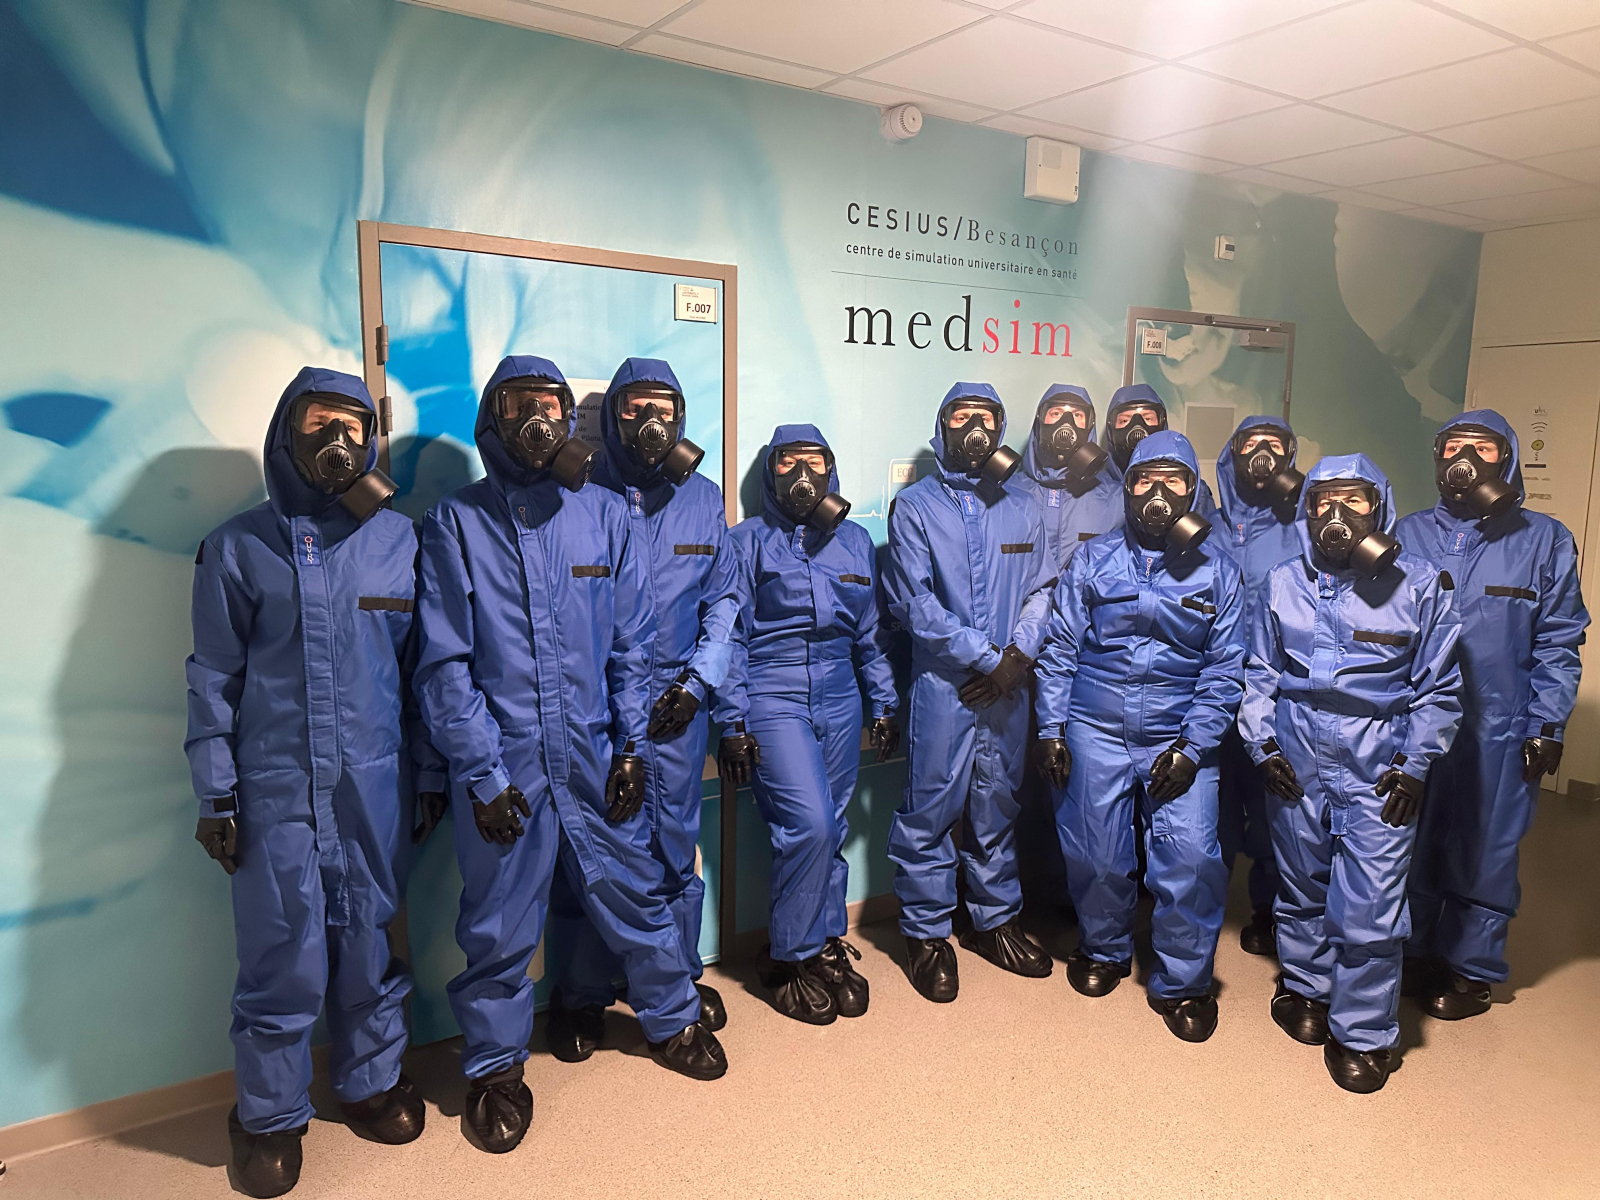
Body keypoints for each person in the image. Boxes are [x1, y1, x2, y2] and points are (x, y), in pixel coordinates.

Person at [415, 355, 725, 1158]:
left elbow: (630, 644)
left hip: (593, 750)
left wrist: (630, 749)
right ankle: (494, 1070)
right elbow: (443, 665)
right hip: (506, 763)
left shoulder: (604, 516)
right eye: (520, 403)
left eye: (551, 405)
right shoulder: (457, 522)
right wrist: (481, 774)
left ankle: (672, 1018)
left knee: (636, 889)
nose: (538, 419)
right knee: (498, 924)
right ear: (493, 417)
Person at [185, 367, 443, 1198]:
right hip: (276, 789)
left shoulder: (399, 541)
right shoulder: (237, 547)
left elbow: (425, 672)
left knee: (371, 938)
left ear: (371, 439)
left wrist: (431, 772)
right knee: (282, 953)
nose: (336, 439)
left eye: (352, 425)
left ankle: (370, 1082)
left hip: (374, 784)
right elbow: (212, 679)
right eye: (318, 421)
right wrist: (216, 792)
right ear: (285, 433)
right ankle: (268, 1117)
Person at [1240, 455, 1462, 1094]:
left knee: (1371, 902)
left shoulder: (1419, 586)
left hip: (1379, 760)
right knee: (1303, 882)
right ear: (1307, 511)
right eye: (1322, 502)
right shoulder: (1283, 582)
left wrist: (1415, 764)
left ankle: (1363, 1032)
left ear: (1379, 507)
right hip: (1297, 752)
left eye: (1354, 502)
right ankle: (1306, 988)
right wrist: (1262, 746)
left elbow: (1440, 688)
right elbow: (1259, 672)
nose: (1336, 515)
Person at [543, 358, 741, 1062]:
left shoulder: (703, 498)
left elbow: (725, 602)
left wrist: (699, 684)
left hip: (680, 708)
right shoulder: (577, 495)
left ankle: (676, 976)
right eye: (635, 408)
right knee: (593, 858)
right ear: (612, 416)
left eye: (664, 407)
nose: (651, 422)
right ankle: (580, 995)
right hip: (599, 711)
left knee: (675, 849)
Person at [1035, 431, 1242, 1042]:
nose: (1158, 494)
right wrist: (1051, 728)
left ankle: (1184, 982)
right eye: (1145, 481)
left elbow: (1226, 669)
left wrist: (1194, 748)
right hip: (1094, 726)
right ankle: (1103, 949)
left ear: (1193, 491)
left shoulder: (1218, 572)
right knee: (1095, 852)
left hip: (1179, 731)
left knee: (1192, 860)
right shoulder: (1093, 560)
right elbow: (1061, 648)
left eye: (1173, 481)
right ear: (1126, 490)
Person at [1399, 410, 1588, 1019]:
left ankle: (1469, 969)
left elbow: (1559, 640)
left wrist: (1547, 725)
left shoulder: (1543, 540)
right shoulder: (1407, 532)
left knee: (1486, 845)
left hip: (1500, 728)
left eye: (1481, 448)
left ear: (1506, 459)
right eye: (1454, 446)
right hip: (1418, 723)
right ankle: (1413, 950)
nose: (1465, 460)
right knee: (1412, 837)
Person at [720, 425, 899, 1023]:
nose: (802, 475)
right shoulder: (746, 542)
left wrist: (884, 703)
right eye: (788, 463)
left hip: (840, 692)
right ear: (771, 472)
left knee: (834, 824)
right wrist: (732, 719)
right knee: (810, 825)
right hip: (773, 694)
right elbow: (729, 637)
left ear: (830, 470)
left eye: (814, 462)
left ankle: (823, 940)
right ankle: (786, 956)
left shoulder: (854, 542)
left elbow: (870, 636)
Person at [884, 383, 1056, 1003]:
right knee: (931, 810)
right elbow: (915, 604)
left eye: (987, 417)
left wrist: (1018, 658)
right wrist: (989, 660)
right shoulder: (914, 507)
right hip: (946, 686)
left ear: (1001, 428)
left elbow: (1043, 590)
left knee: (998, 803)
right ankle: (927, 933)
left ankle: (994, 920)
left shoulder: (1023, 505)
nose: (976, 427)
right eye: (963, 415)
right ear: (944, 424)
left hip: (1009, 685)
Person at [1213, 415, 1305, 956]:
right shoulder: (1205, 524)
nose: (1263, 453)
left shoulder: (1304, 527)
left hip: (1278, 696)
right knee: (1212, 806)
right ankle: (1201, 907)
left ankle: (1271, 912)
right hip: (1212, 691)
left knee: (1276, 809)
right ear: (1234, 454)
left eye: (1275, 444)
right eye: (1252, 443)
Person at [1008, 384, 1120, 569]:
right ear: (1039, 422)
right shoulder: (1007, 492)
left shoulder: (1116, 499)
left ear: (1090, 426)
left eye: (1077, 415)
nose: (1066, 423)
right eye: (1056, 413)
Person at [1102, 382, 1216, 516]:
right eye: (1124, 420)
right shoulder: (1097, 491)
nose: (1137, 428)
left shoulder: (1193, 490)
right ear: (1111, 430)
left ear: (1162, 423)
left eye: (1148, 418)